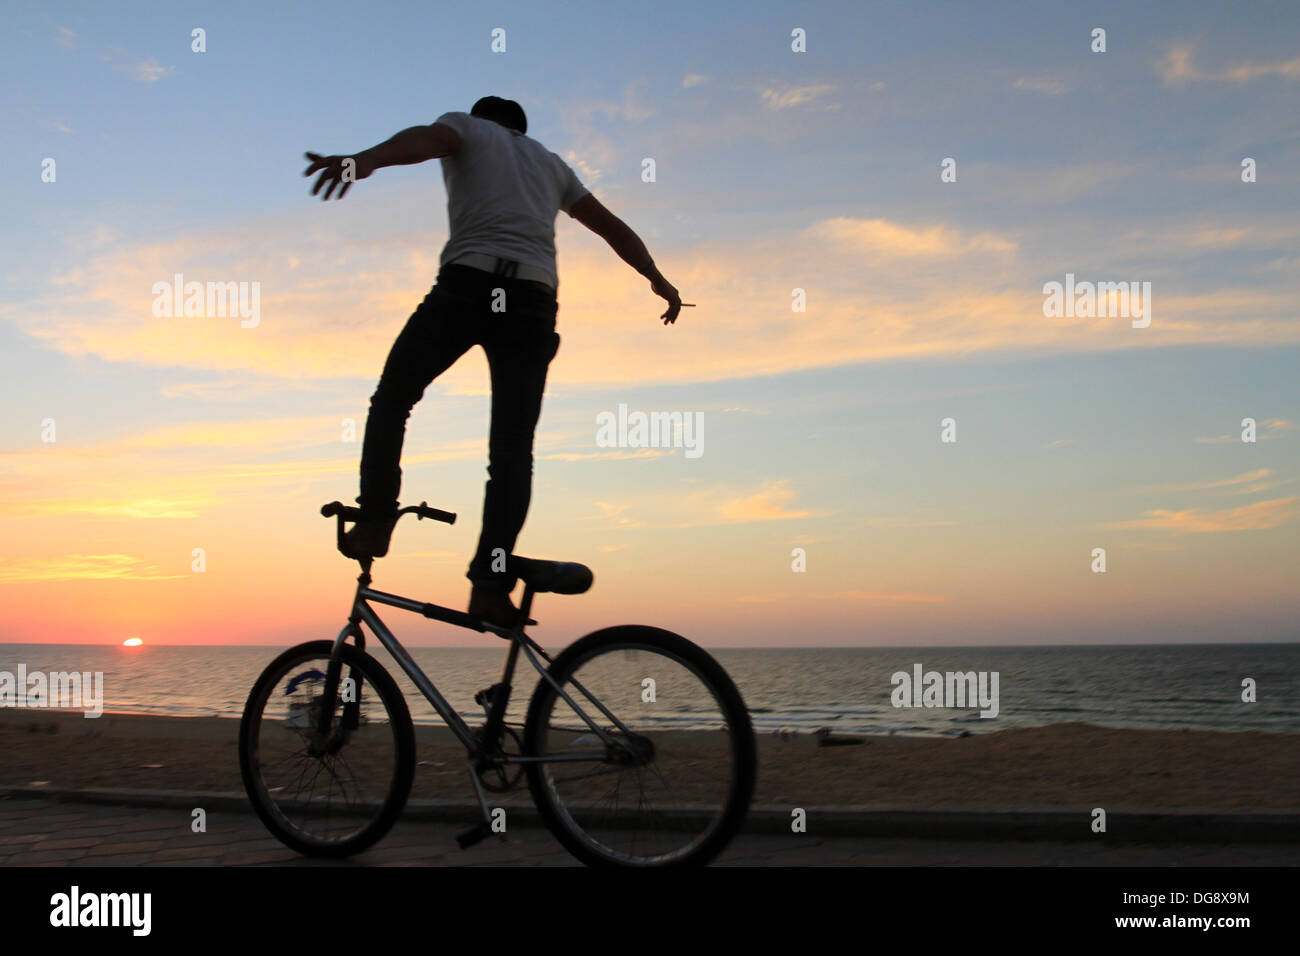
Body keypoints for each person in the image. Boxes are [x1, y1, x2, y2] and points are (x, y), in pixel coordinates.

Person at [302, 96, 684, 626]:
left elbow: (424, 140)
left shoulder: (467, 129)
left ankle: (376, 517)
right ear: (523, 130)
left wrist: (362, 161)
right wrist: (657, 279)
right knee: (511, 452)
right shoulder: (551, 164)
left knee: (393, 399)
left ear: (483, 120)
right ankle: (488, 584)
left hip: (470, 285)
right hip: (531, 301)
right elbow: (611, 226)